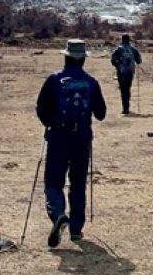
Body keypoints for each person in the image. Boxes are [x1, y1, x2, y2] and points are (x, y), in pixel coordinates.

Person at [35, 39, 107, 247]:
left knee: (53, 181)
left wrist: (49, 124)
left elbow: (41, 107)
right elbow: (101, 114)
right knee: (77, 183)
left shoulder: (54, 79)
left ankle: (58, 213)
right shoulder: (91, 82)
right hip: (82, 139)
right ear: (83, 59)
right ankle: (76, 229)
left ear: (65, 57)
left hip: (58, 137)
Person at [109, 32, 142, 115]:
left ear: (122, 40)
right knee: (127, 89)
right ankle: (127, 108)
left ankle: (125, 108)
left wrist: (117, 66)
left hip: (121, 72)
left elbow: (112, 60)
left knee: (123, 89)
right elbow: (139, 61)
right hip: (130, 72)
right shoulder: (133, 49)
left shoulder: (119, 49)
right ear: (129, 40)